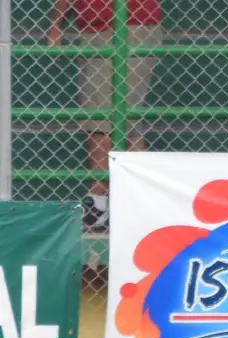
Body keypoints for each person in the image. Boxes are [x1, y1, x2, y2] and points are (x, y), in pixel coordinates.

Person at [47, 0, 163, 233]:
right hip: (94, 29)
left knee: (103, 116)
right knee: (122, 119)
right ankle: (143, 200)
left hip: (131, 24)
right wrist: (55, 24)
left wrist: (56, 25)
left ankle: (98, 202)